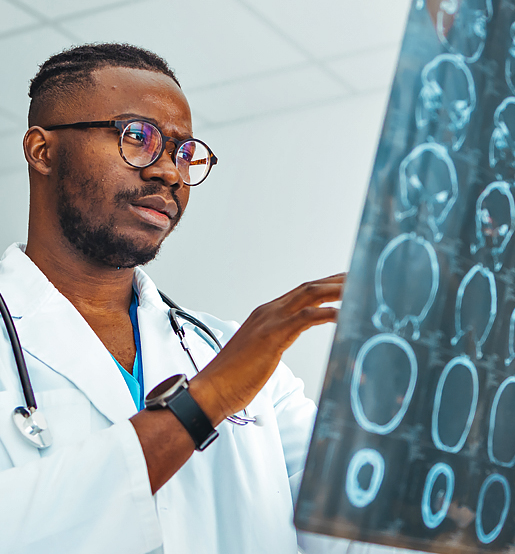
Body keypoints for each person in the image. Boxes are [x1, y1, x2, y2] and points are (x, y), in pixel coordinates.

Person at [0, 43, 346, 554]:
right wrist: (206, 400)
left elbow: (360, 528)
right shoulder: (233, 366)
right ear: (41, 150)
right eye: (136, 137)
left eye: (183, 153)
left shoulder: (227, 351)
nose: (168, 173)